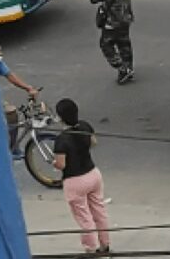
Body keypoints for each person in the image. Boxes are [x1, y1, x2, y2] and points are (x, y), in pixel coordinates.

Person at [52, 98, 110, 255]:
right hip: (93, 174)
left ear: (60, 117)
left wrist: (53, 163)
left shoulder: (61, 140)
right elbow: (93, 143)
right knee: (99, 210)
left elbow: (61, 164)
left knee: (84, 218)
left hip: (75, 181)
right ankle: (105, 244)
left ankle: (91, 249)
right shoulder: (85, 126)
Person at [88, 0, 135, 85]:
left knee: (106, 44)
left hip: (112, 21)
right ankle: (128, 68)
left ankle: (122, 68)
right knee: (124, 44)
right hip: (126, 18)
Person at [0, 40, 39, 159]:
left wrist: (28, 88)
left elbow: (10, 76)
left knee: (11, 114)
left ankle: (13, 147)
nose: (0, 54)